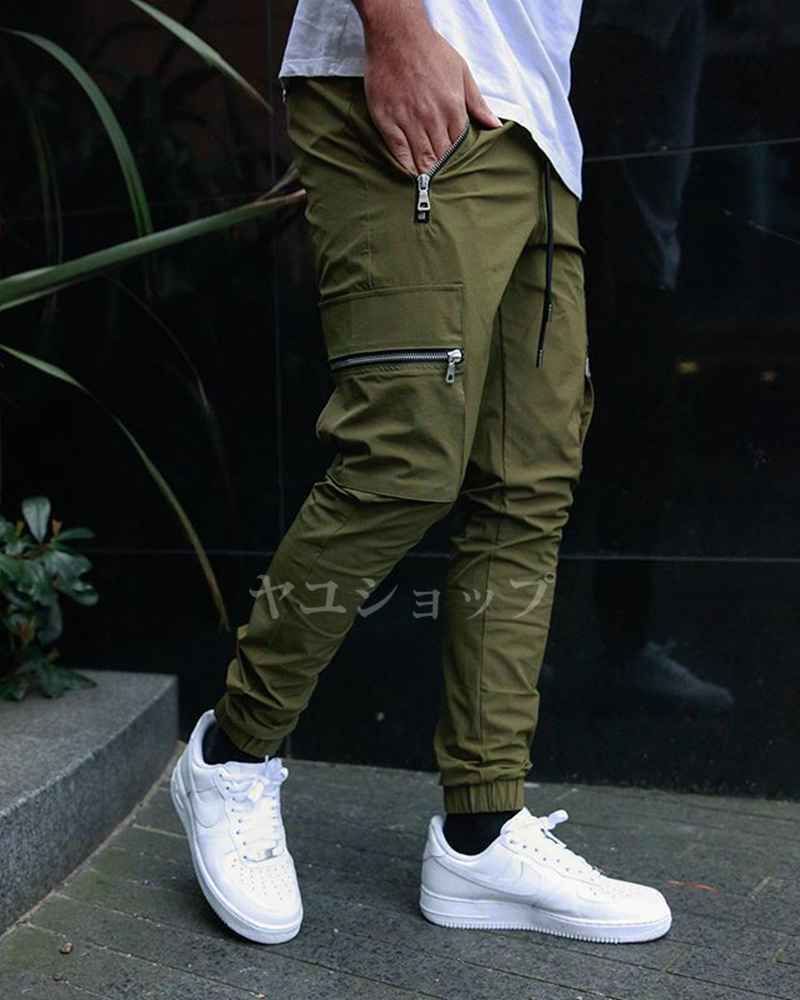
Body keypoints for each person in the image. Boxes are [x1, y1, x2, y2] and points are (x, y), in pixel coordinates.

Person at [170, 0, 672, 946]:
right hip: (421, 77)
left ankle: (481, 833)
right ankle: (231, 754)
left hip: (539, 119)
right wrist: (396, 26)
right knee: (403, 459)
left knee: (526, 486)